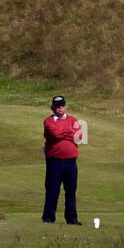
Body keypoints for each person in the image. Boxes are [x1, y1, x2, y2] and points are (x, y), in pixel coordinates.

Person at [42, 95, 83, 225]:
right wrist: (69, 131)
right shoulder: (48, 121)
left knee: (71, 190)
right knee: (52, 189)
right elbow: (55, 134)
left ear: (65, 106)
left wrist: (67, 132)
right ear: (52, 107)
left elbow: (79, 137)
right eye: (57, 106)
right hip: (54, 160)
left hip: (71, 161)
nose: (60, 108)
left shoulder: (73, 120)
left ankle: (72, 218)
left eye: (62, 106)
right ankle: (48, 218)